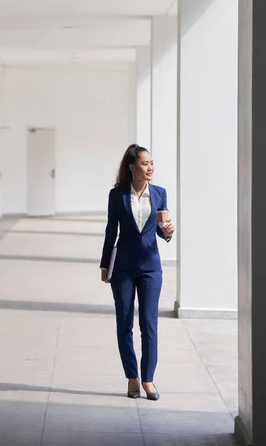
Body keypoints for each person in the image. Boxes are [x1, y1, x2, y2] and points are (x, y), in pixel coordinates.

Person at [100, 143, 175, 400]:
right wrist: (104, 264)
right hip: (123, 268)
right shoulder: (117, 195)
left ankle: (148, 379)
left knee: (149, 324)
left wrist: (168, 233)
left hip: (151, 268)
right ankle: (132, 377)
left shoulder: (160, 193)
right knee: (124, 322)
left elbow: (161, 229)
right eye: (145, 164)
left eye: (151, 163)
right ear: (132, 168)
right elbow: (112, 230)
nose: (150, 168)